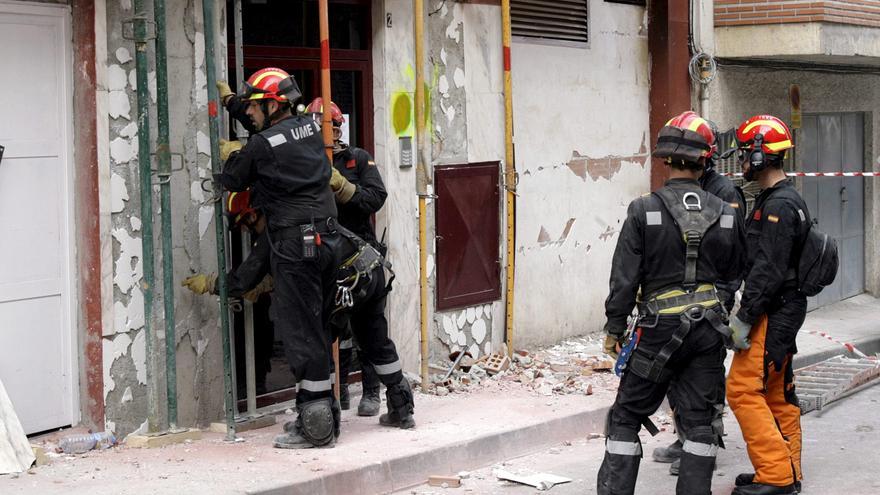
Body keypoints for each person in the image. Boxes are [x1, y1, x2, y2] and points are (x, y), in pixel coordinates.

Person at [216, 71, 414, 441]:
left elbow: (233, 178)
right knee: (348, 332)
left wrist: (235, 155)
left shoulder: (261, 147)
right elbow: (267, 127)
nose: (251, 114)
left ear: (273, 104)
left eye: (255, 106)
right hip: (330, 240)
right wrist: (233, 104)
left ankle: (317, 426)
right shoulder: (308, 127)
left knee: (303, 333)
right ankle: (394, 403)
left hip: (295, 246)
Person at [598, 111, 746, 495]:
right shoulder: (727, 215)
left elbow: (624, 281)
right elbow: (735, 272)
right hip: (708, 332)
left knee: (627, 415)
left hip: (657, 332)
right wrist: (719, 308)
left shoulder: (643, 210)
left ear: (665, 159)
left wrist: (615, 329)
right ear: (705, 159)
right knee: (699, 422)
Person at [653, 117, 748, 475]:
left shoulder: (723, 194)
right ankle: (684, 439)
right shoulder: (680, 190)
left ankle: (703, 447)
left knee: (703, 380)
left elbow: (733, 255)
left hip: (709, 302)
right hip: (677, 301)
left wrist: (721, 301)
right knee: (675, 375)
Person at [726, 115, 810, 495]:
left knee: (742, 390)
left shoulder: (778, 206)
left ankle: (776, 478)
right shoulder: (781, 199)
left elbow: (768, 269)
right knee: (775, 391)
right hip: (784, 310)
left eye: (746, 153)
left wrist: (744, 318)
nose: (743, 161)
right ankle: (787, 469)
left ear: (761, 155)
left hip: (773, 312)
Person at [305, 97, 388, 417]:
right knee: (332, 328)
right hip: (325, 256)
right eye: (325, 127)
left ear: (340, 128)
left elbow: (376, 198)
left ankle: (371, 391)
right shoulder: (308, 161)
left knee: (367, 324)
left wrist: (345, 189)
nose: (331, 134)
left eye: (333, 127)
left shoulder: (357, 160)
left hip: (359, 255)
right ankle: (338, 392)